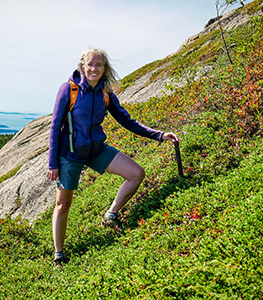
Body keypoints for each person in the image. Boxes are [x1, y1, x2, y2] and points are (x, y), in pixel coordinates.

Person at [47, 48, 179, 265]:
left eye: (99, 65)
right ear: (82, 66)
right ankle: (59, 255)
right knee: (63, 205)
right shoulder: (68, 90)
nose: (94, 69)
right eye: (90, 64)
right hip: (69, 155)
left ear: (104, 69)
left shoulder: (105, 94)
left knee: (136, 174)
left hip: (96, 150)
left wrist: (160, 135)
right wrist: (53, 163)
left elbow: (128, 122)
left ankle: (110, 215)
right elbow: (54, 126)